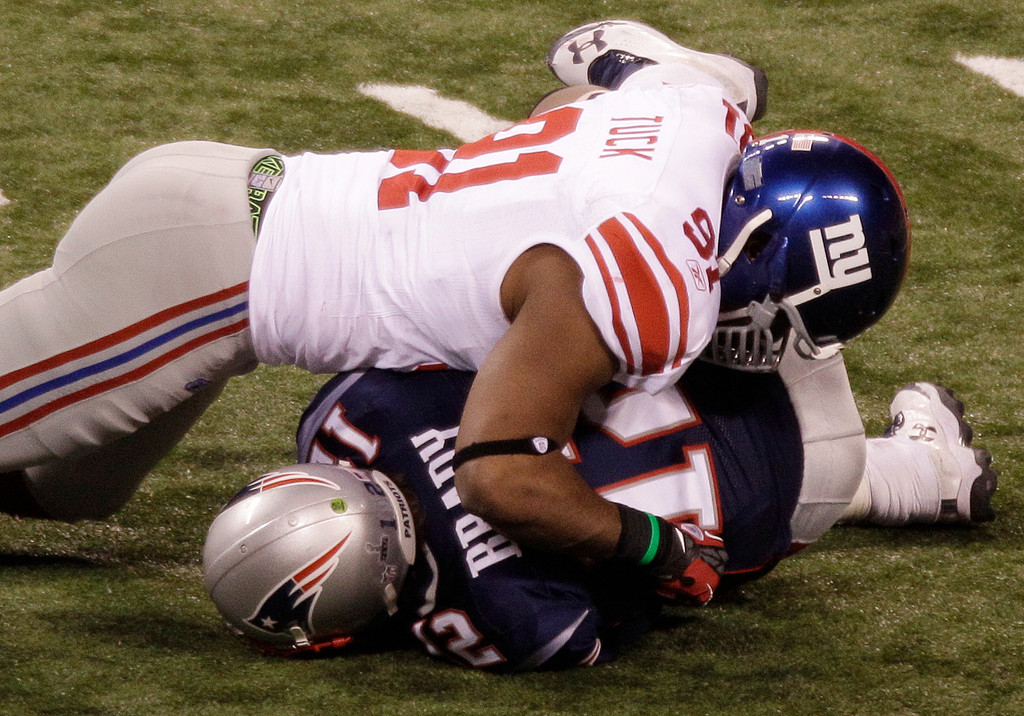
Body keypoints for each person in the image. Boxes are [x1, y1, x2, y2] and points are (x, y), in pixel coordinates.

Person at [0, 20, 909, 607]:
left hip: (228, 218)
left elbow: (588, 55)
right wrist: (653, 549)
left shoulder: (702, 109)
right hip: (190, 277)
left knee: (77, 491)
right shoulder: (650, 289)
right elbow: (501, 476)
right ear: (753, 262)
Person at [202, 346, 996, 672]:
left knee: (680, 523)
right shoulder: (358, 415)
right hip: (736, 365)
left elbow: (609, 618)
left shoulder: (496, 618)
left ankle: (927, 474)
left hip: (786, 500)